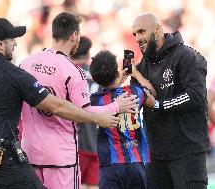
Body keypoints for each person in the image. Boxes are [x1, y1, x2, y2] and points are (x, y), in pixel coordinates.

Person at [0, 18, 126, 189]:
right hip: (3, 160)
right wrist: (95, 117)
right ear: (1, 44)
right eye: (12, 40)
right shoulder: (14, 74)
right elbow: (55, 106)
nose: (15, 44)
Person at [19, 12, 138, 189]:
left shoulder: (26, 63)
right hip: (61, 157)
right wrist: (116, 106)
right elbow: (84, 111)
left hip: (30, 154)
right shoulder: (72, 72)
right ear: (74, 35)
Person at [131, 13, 209, 189]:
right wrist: (123, 79)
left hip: (187, 151)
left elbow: (195, 95)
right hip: (155, 154)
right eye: (134, 34)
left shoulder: (187, 56)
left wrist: (159, 105)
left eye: (142, 31)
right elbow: (135, 102)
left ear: (157, 29)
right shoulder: (141, 67)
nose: (137, 38)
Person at [89, 50, 156, 189]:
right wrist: (135, 73)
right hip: (136, 163)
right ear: (116, 71)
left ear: (95, 79)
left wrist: (117, 79)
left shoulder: (95, 100)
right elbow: (152, 94)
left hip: (110, 166)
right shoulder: (134, 92)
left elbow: (107, 92)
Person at [71, 36, 99, 189]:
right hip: (98, 141)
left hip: (76, 142)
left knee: (73, 184)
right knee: (93, 185)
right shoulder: (98, 76)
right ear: (88, 55)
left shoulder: (69, 73)